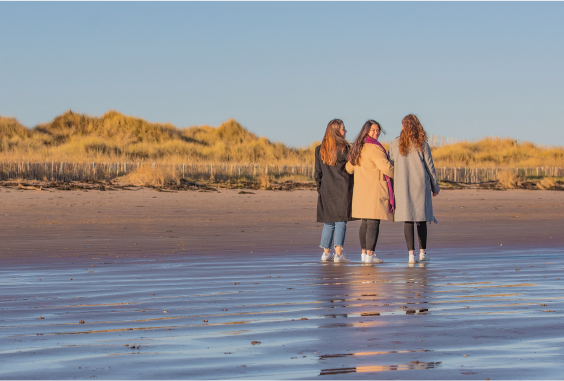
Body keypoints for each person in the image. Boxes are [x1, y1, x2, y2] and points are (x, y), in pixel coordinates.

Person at [388, 114, 440, 264]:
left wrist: (392, 184)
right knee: (421, 219)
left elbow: (390, 164)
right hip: (420, 186)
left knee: (408, 219)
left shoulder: (395, 144)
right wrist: (435, 186)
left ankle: (411, 255)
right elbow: (430, 166)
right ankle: (423, 253)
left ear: (404, 126)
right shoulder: (422, 143)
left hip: (402, 186)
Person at [346, 120, 394, 263]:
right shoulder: (374, 148)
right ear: (366, 131)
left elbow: (349, 168)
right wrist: (400, 174)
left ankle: (364, 254)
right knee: (373, 222)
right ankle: (370, 255)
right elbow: (386, 167)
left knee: (365, 222)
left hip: (361, 190)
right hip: (374, 189)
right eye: (373, 130)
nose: (376, 133)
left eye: (378, 130)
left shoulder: (358, 147)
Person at [314, 119, 354, 263]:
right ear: (336, 131)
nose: (345, 131)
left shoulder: (320, 149)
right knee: (341, 221)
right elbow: (351, 169)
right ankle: (338, 254)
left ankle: (326, 253)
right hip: (343, 189)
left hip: (327, 189)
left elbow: (317, 173)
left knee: (329, 221)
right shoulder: (345, 148)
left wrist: (321, 188)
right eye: (343, 128)